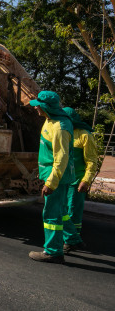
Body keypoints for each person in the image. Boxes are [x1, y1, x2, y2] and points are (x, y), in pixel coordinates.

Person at [28, 91, 77, 264]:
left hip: (56, 177)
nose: (35, 108)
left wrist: (51, 182)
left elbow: (61, 157)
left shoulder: (60, 127)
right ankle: (72, 239)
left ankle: (53, 252)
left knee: (51, 215)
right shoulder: (52, 121)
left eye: (38, 105)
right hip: (58, 175)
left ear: (46, 107)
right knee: (61, 210)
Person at [62, 107, 98, 253]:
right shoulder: (63, 133)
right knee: (62, 210)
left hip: (77, 181)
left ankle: (72, 240)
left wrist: (86, 180)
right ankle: (69, 238)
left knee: (73, 212)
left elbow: (92, 161)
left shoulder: (85, 135)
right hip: (63, 180)